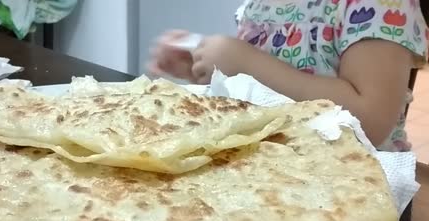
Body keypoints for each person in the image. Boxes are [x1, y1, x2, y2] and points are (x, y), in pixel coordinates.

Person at [148, 0, 428, 152]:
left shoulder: (380, 5)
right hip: (277, 168)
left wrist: (248, 64)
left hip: (359, 181)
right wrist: (208, 70)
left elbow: (371, 122)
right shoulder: (259, 5)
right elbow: (260, 95)